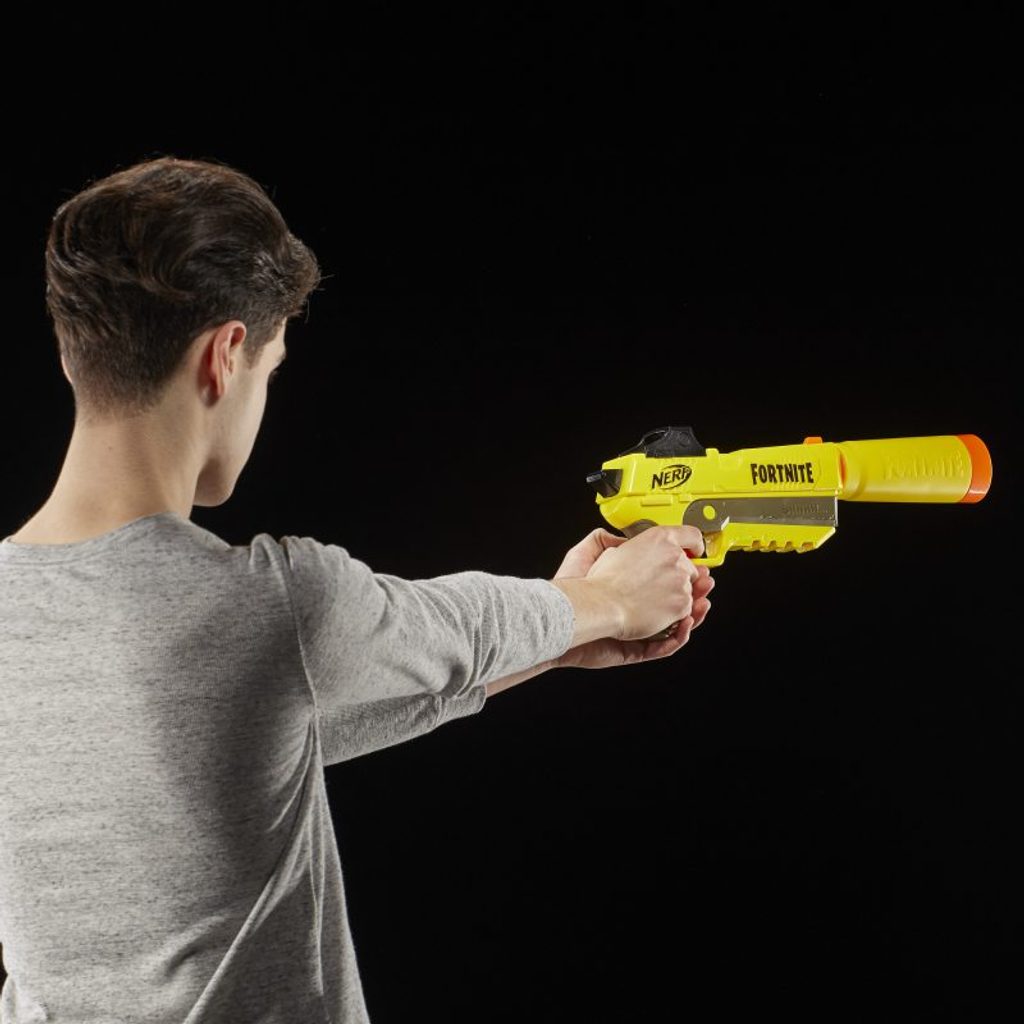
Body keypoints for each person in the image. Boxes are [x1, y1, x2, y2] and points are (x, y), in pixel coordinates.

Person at [0, 156, 714, 1022]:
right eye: (270, 368)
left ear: (73, 351)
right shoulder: (269, 603)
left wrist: (562, 640)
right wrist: (607, 602)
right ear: (225, 357)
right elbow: (445, 630)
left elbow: (272, 737)